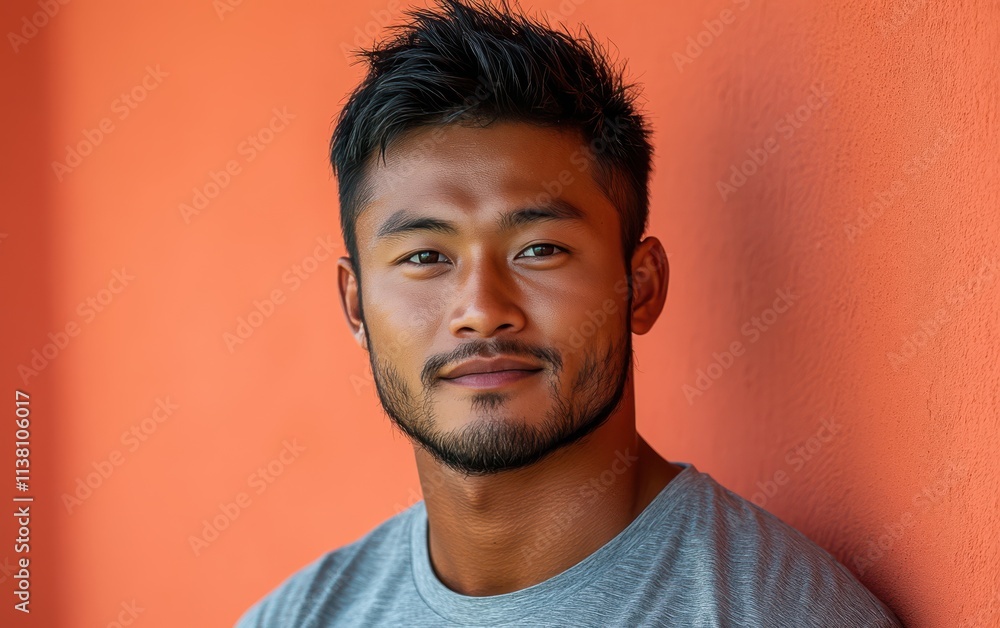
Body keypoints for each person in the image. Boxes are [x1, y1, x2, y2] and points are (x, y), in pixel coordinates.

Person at [236, 0, 902, 625]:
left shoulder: (776, 611)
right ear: (355, 306)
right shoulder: (297, 617)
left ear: (639, 287)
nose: (481, 311)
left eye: (539, 249)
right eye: (424, 257)